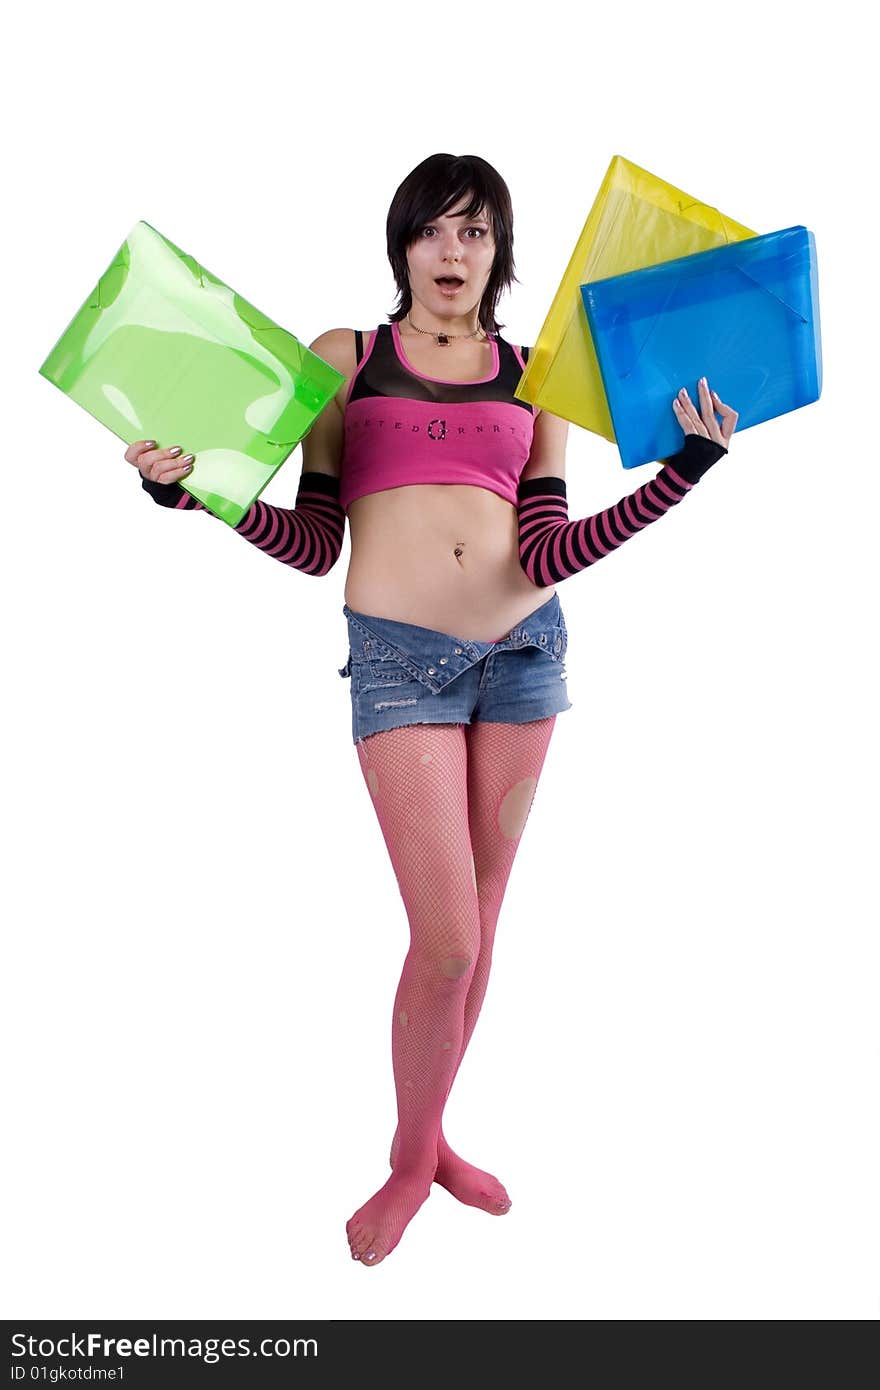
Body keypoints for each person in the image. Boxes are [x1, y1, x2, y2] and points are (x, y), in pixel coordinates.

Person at [128, 153, 739, 1268]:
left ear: (499, 252)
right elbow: (314, 543)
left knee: (484, 924)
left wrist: (681, 474)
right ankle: (414, 1158)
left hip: (524, 653)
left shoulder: (533, 375)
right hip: (400, 664)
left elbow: (553, 544)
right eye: (434, 230)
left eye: (476, 232)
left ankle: (425, 1141)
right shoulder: (345, 361)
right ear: (401, 243)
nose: (453, 251)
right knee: (447, 942)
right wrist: (196, 494)